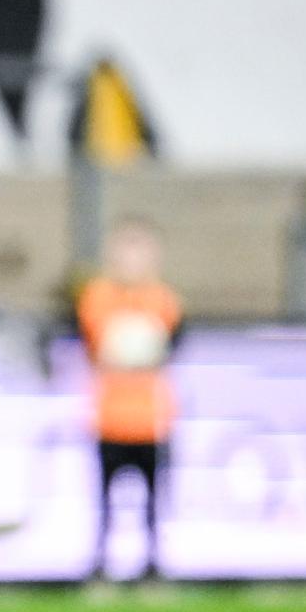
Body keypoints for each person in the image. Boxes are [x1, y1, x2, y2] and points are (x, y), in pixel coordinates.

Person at [75, 218, 181, 582]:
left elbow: (167, 346)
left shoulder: (164, 299)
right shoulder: (96, 296)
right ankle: (101, 564)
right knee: (105, 500)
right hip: (109, 418)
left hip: (152, 419)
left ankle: (153, 565)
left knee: (153, 501)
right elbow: (97, 346)